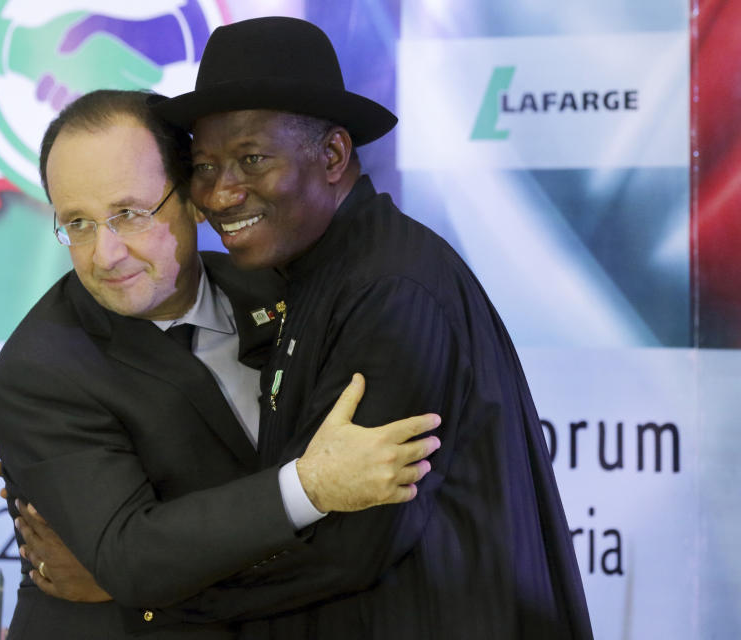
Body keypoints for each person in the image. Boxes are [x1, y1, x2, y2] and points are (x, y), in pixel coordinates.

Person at [121, 15, 591, 639]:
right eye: (204, 167)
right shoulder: (317, 271)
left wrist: (140, 595)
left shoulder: (390, 292)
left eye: (251, 159)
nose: (221, 193)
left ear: (334, 155)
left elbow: (345, 546)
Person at [0, 89, 442, 639]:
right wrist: (310, 485)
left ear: (195, 199)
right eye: (77, 223)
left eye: (129, 214)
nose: (105, 255)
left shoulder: (284, 289)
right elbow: (132, 557)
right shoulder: (39, 371)